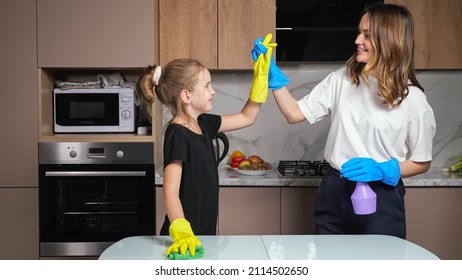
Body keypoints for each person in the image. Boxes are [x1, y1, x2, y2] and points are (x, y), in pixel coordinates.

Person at [252, 3, 436, 239]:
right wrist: (270, 73)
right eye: (359, 32)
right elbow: (294, 113)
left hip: (381, 194)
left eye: (367, 35)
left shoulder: (414, 100)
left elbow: (422, 161)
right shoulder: (343, 79)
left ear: (391, 40)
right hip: (334, 189)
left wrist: (382, 169)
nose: (358, 40)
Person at [137, 37, 274, 259]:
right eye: (207, 86)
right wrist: (182, 233)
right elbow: (170, 191)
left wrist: (260, 80)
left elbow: (246, 117)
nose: (213, 91)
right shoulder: (177, 134)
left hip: (205, 234)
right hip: (183, 239)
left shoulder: (205, 123)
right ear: (186, 96)